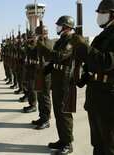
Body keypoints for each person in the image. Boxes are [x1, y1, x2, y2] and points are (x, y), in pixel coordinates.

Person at [71, 0, 114, 154]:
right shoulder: (100, 37)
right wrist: (82, 77)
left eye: (103, 12)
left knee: (112, 149)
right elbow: (91, 64)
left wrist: (83, 46)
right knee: (98, 146)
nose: (99, 16)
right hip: (95, 97)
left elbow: (105, 63)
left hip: (113, 100)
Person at [37, 15, 75, 154]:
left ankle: (68, 143)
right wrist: (47, 70)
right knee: (58, 112)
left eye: (60, 25)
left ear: (67, 27)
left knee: (64, 113)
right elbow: (54, 61)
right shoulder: (60, 41)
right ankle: (62, 139)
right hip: (57, 77)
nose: (57, 27)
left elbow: (59, 56)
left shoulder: (71, 41)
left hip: (65, 79)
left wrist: (43, 48)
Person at [29, 25, 52, 130]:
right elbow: (32, 54)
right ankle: (42, 117)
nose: (36, 36)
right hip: (39, 72)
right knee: (40, 97)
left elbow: (47, 54)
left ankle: (46, 119)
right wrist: (33, 43)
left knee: (45, 97)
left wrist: (40, 44)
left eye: (37, 34)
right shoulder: (40, 43)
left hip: (46, 73)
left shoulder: (47, 43)